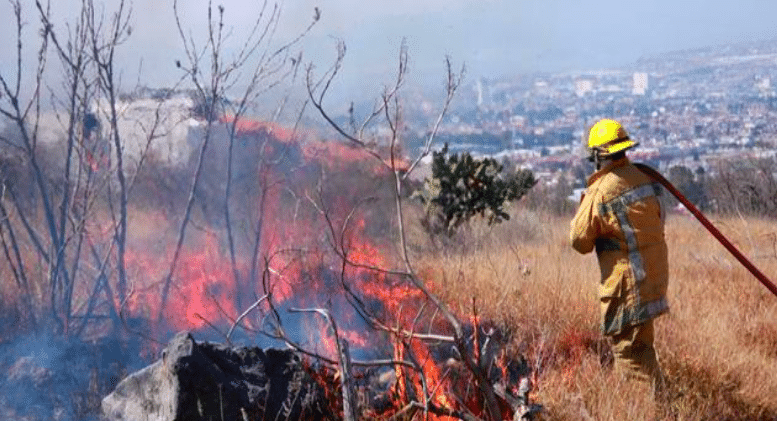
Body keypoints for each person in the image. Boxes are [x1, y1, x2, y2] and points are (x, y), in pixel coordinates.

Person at [570, 118, 669, 389]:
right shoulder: (643, 179)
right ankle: (662, 402)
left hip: (627, 288)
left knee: (630, 358)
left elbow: (579, 241)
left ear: (597, 156)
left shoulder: (602, 191)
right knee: (642, 351)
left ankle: (648, 408)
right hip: (652, 280)